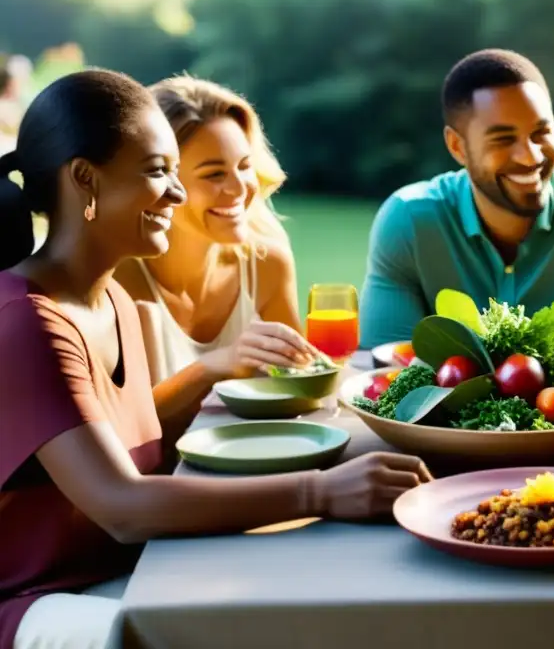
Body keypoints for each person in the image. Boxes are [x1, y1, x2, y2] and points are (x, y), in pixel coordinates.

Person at [0, 69, 431, 649]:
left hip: (139, 569)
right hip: (45, 602)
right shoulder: (25, 321)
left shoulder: (115, 301)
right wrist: (320, 491)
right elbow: (123, 506)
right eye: (158, 172)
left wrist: (396, 441)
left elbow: (151, 450)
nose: (175, 194)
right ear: (85, 179)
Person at [359, 48, 554, 351]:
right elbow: (388, 364)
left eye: (541, 133)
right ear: (457, 146)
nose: (531, 156)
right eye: (504, 139)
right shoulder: (408, 222)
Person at [113, 76, 306, 443]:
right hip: (157, 488)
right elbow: (119, 425)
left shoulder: (266, 260)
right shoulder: (117, 277)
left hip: (249, 465)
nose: (239, 188)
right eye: (214, 173)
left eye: (245, 166)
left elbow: (301, 386)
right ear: (156, 181)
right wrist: (212, 367)